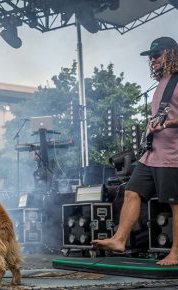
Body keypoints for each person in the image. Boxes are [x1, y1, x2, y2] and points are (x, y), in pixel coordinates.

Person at [92, 37, 178, 266]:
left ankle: (176, 253)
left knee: (175, 203)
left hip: (173, 155)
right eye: (151, 56)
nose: (152, 59)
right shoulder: (162, 82)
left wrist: (168, 124)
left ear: (171, 54)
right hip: (152, 153)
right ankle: (119, 239)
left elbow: (171, 119)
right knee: (131, 191)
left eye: (157, 54)